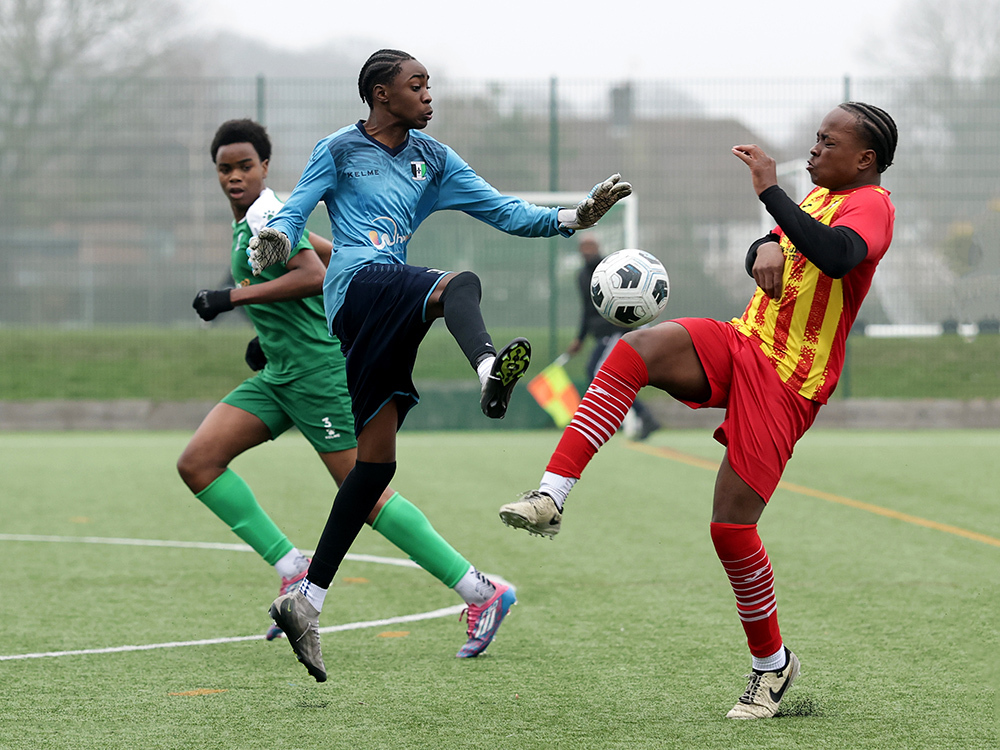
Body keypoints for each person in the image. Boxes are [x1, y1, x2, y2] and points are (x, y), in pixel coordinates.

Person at [499, 102, 897, 719]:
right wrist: (763, 245)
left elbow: (839, 256)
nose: (814, 149)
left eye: (826, 141)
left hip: (790, 382)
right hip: (744, 340)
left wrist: (770, 196)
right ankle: (551, 495)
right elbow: (778, 251)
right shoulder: (818, 198)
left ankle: (773, 666)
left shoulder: (870, 204)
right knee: (636, 350)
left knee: (731, 530)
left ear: (864, 159)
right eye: (815, 139)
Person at [249, 49, 631, 682]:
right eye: (416, 86)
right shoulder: (340, 148)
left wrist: (574, 217)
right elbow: (298, 206)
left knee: (375, 466)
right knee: (459, 284)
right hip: (358, 288)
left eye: (430, 85)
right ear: (379, 95)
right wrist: (279, 236)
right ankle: (486, 370)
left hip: (383, 306)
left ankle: (306, 600)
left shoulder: (436, 159)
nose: (430, 96)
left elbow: (504, 210)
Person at [177, 118, 522, 662]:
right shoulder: (252, 220)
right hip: (280, 373)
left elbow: (314, 274)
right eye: (225, 168)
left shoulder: (268, 213)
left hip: (317, 375)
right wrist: (273, 336)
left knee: (368, 495)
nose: (235, 176)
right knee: (199, 462)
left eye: (245, 166)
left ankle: (483, 591)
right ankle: (293, 569)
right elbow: (336, 256)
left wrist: (231, 300)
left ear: (265, 167)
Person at [566, 234, 659, 440]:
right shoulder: (582, 275)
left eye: (591, 245)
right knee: (598, 373)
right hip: (601, 335)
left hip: (617, 331)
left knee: (598, 372)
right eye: (584, 246)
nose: (587, 250)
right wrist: (580, 339)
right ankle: (643, 416)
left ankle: (627, 418)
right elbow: (587, 309)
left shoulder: (609, 269)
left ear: (598, 246)